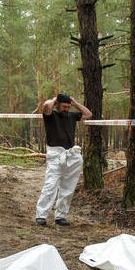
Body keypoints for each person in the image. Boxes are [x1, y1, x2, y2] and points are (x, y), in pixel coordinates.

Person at [35, 93, 91, 226]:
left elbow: (88, 114)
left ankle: (60, 216)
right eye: (64, 106)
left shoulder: (72, 116)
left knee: (68, 187)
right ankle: (41, 215)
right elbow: (46, 105)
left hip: (71, 155)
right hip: (55, 154)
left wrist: (75, 103)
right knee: (50, 185)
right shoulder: (50, 115)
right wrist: (55, 99)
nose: (66, 109)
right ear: (57, 105)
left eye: (68, 107)